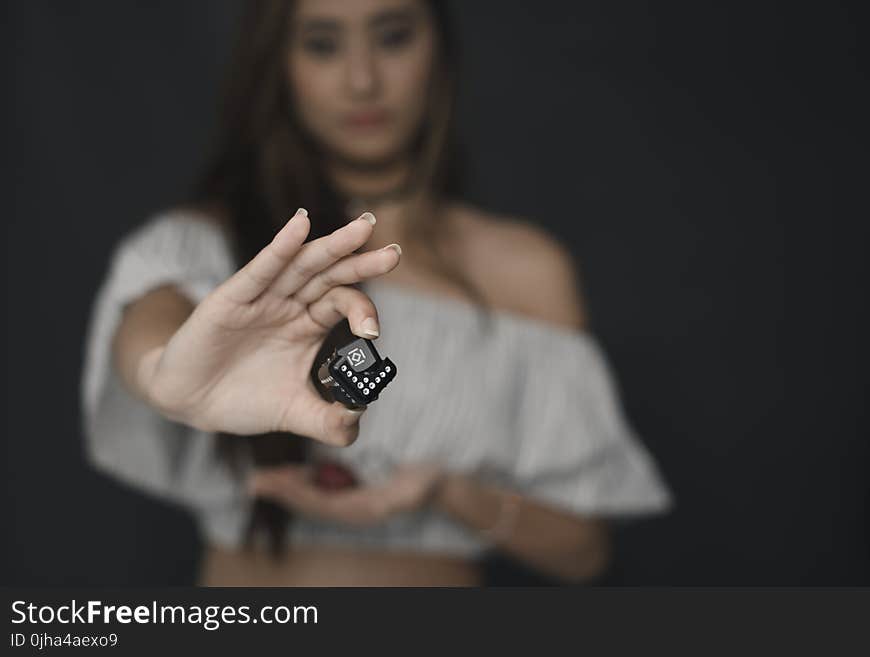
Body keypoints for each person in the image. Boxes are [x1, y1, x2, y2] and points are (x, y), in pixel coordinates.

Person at [81, 0, 671, 586]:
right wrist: (164, 373)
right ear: (278, 63)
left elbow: (584, 553)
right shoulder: (204, 248)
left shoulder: (526, 271)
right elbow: (152, 329)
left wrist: (443, 491)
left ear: (437, 48)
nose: (362, 80)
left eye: (391, 38)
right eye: (322, 44)